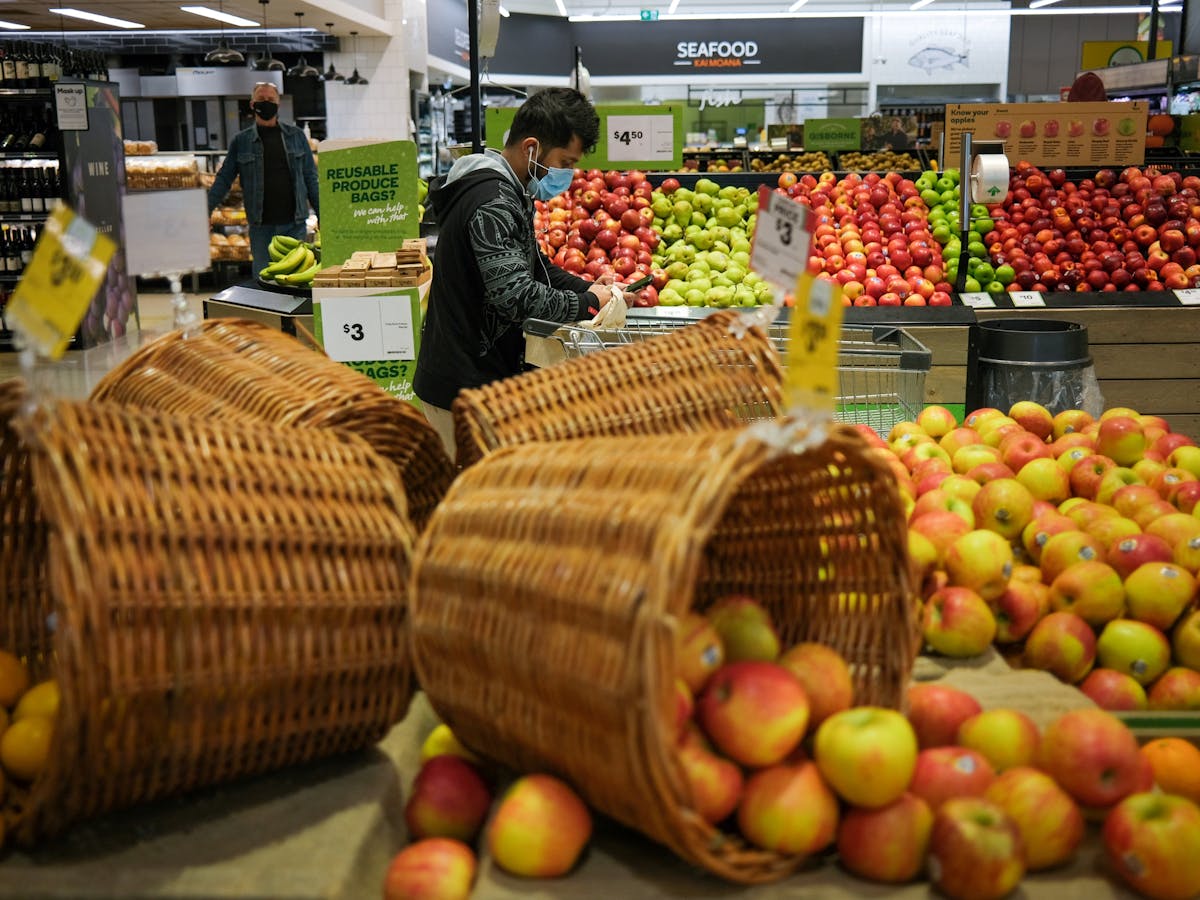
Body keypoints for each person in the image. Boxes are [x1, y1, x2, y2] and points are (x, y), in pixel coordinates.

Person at [414, 87, 619, 453]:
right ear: (531, 148)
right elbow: (516, 297)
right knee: (479, 503)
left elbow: (535, 268)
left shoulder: (508, 191)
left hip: (477, 381)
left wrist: (591, 287)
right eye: (565, 162)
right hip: (461, 389)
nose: (568, 174)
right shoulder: (492, 201)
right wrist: (588, 303)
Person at [207, 82, 320, 271]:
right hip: (261, 227)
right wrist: (206, 211)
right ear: (252, 104)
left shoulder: (297, 136)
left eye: (270, 100)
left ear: (278, 104)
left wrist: (321, 214)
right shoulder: (241, 141)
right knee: (263, 283)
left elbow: (310, 178)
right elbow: (224, 179)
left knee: (291, 283)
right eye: (261, 100)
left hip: (294, 224)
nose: (266, 103)